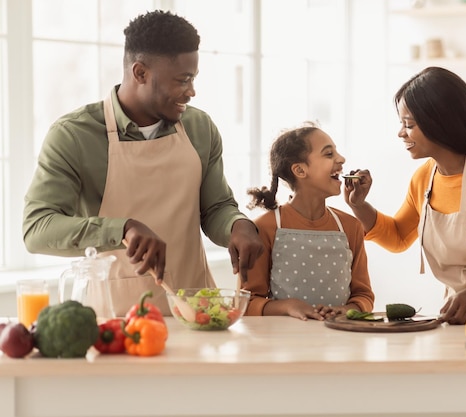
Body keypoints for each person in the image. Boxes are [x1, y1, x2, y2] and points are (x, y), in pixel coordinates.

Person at [22, 10, 263, 316]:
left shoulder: (200, 128)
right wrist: (123, 228)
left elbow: (215, 208)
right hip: (114, 319)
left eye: (193, 78)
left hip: (197, 313)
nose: (191, 91)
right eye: (182, 80)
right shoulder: (74, 135)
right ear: (140, 73)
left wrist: (237, 225)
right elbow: (37, 228)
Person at [344, 66, 466, 325]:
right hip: (461, 312)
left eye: (409, 125)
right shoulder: (424, 177)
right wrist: (359, 206)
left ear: (440, 123)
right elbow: (398, 237)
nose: (401, 133)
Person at [244, 122, 375, 320]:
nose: (341, 159)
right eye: (329, 154)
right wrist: (287, 306)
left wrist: (350, 309)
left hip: (342, 342)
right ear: (299, 170)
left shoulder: (351, 227)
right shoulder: (264, 227)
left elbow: (363, 296)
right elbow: (247, 302)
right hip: (284, 343)